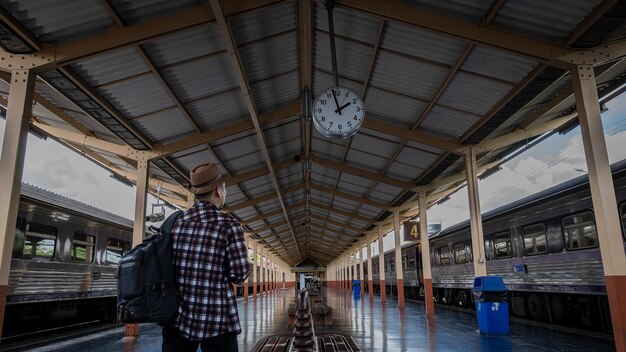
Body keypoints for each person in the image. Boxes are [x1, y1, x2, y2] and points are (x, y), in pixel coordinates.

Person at [162, 162, 250, 352]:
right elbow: (239, 275)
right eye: (225, 189)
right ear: (219, 191)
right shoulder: (228, 225)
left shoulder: (175, 222)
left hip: (177, 318)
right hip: (217, 320)